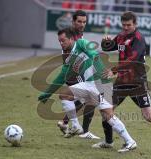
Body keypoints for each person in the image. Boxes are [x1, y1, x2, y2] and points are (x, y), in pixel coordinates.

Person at [38, 27, 137, 153]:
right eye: (59, 41)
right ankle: (75, 126)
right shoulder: (68, 56)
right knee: (65, 95)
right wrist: (47, 93)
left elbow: (94, 53)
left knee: (108, 115)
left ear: (71, 39)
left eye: (63, 41)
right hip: (89, 84)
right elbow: (62, 76)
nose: (61, 44)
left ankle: (129, 141)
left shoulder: (81, 43)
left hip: (99, 83)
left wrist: (97, 64)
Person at [92, 11, 151, 149]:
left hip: (137, 82)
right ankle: (108, 142)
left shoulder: (139, 39)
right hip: (121, 81)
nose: (125, 27)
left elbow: (133, 60)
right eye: (123, 25)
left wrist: (113, 70)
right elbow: (108, 47)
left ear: (135, 24)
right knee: (106, 111)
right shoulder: (121, 36)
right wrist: (105, 41)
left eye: (128, 25)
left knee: (149, 116)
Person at [56, 10, 100, 139]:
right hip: (73, 71)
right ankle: (83, 131)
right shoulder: (70, 35)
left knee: (86, 99)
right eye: (79, 21)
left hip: (78, 70)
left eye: (84, 22)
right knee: (91, 99)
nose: (82, 24)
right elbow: (69, 55)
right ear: (73, 21)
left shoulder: (78, 34)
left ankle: (65, 122)